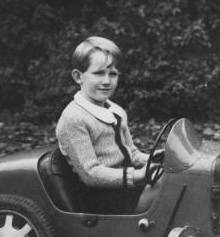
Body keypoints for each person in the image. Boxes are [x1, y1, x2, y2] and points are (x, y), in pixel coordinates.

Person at [55, 36, 158, 213]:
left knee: (176, 186)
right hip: (99, 197)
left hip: (125, 185)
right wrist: (138, 175)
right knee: (165, 199)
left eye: (113, 74)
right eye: (99, 73)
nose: (107, 81)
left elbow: (131, 152)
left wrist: (152, 159)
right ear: (78, 76)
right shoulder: (74, 119)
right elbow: (91, 174)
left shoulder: (116, 111)